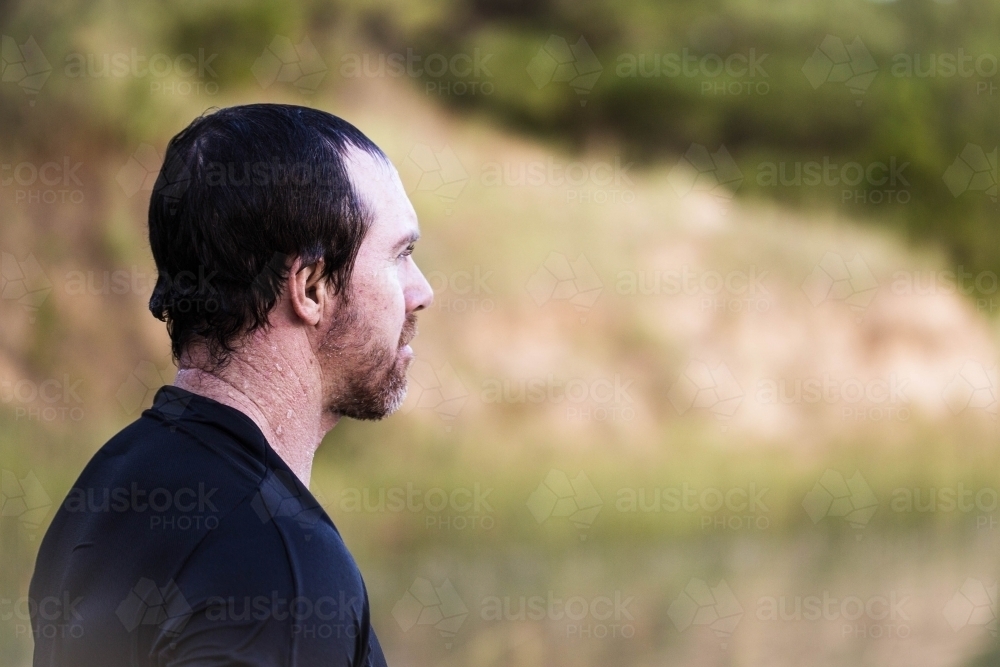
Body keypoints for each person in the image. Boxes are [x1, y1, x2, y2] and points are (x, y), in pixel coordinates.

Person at [29, 103, 433, 666]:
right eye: (401, 255)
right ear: (311, 286)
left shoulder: (110, 484)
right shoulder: (281, 569)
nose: (422, 291)